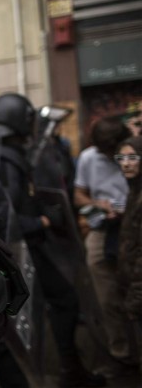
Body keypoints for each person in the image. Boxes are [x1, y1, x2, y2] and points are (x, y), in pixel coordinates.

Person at [0, 92, 106, 387]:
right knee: (28, 324)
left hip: (26, 247)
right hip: (17, 250)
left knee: (62, 301)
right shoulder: (1, 159)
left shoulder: (4, 154)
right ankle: (65, 371)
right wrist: (42, 220)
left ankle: (69, 368)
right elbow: (0, 215)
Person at [73, 117, 133, 377]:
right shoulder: (88, 158)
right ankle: (121, 353)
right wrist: (100, 205)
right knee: (107, 297)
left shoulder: (133, 153)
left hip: (132, 229)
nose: (110, 156)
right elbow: (78, 195)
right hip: (101, 230)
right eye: (105, 151)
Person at [115, 136, 142, 376]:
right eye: (121, 158)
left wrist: (135, 296)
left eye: (132, 157)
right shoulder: (134, 190)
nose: (126, 163)